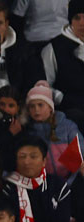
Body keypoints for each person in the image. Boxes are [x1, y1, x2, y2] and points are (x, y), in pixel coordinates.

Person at [2, 134, 72, 222]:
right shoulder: (7, 188)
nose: (27, 162)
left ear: (44, 160)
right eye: (22, 156)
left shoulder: (58, 186)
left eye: (33, 156)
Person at [40, 1, 84, 130]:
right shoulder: (54, 48)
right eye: (77, 18)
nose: (82, 23)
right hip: (70, 110)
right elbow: (45, 86)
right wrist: (62, 98)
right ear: (70, 20)